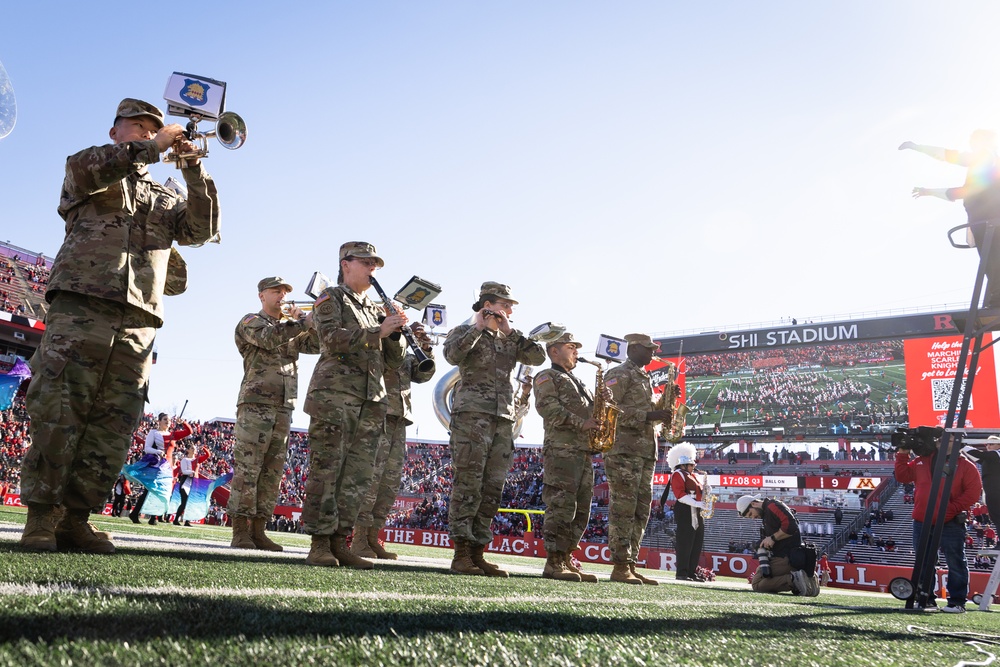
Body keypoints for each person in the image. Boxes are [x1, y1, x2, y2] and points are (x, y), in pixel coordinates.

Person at [17, 98, 220, 554]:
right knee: (58, 414)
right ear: (116, 133)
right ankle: (40, 518)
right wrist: (150, 148)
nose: (149, 133)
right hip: (81, 308)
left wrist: (193, 170)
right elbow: (93, 172)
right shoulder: (89, 166)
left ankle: (76, 519)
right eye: (138, 127)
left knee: (113, 426)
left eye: (154, 128)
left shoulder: (165, 194)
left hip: (138, 323)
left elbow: (201, 230)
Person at [301, 242, 407, 569]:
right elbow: (330, 338)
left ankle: (340, 541)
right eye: (366, 263)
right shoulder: (331, 297)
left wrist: (395, 333)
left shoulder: (376, 307)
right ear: (346, 264)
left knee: (358, 475)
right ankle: (319, 542)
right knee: (328, 469)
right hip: (335, 395)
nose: (372, 269)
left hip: (371, 400)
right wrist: (378, 330)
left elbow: (395, 360)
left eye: (375, 264)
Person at [443, 282, 545, 577]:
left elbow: (537, 357)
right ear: (488, 303)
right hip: (472, 415)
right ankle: (461, 553)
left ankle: (477, 553)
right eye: (506, 304)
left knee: (492, 488)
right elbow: (452, 355)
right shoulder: (464, 331)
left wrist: (509, 330)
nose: (510, 309)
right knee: (469, 485)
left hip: (503, 418)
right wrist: (479, 327)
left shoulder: (510, 338)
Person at [230, 276, 318, 551]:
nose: (281, 296)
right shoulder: (250, 322)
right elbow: (268, 340)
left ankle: (259, 529)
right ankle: (240, 530)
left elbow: (315, 346)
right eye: (275, 291)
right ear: (261, 296)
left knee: (272, 472)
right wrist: (300, 323)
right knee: (248, 468)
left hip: (284, 405)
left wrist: (311, 323)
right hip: (256, 403)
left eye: (284, 292)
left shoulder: (289, 327)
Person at [351, 324, 436, 560]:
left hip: (399, 421)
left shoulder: (408, 358)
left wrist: (425, 348)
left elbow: (424, 374)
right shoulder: (378, 348)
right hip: (377, 417)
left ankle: (373, 538)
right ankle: (358, 540)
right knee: (371, 482)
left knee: (388, 485)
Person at [532, 332, 604, 583]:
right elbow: (547, 408)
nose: (575, 351)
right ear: (554, 351)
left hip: (582, 451)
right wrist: (580, 422)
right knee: (561, 506)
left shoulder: (576, 380)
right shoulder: (546, 375)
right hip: (562, 450)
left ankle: (565, 557)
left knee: (581, 509)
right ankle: (553, 561)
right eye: (571, 347)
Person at [901, 131, 1000, 307]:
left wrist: (919, 148)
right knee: (991, 263)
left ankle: (997, 295)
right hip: (984, 220)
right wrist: (930, 192)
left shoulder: (986, 156)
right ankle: (996, 294)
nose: (971, 147)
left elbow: (953, 157)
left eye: (973, 143)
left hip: (989, 221)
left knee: (992, 260)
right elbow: (965, 190)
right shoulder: (985, 166)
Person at [603, 333, 672, 585]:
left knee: (641, 510)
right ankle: (620, 564)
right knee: (624, 508)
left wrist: (665, 400)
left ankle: (630, 563)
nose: (652, 353)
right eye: (648, 349)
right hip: (624, 451)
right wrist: (648, 415)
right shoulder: (618, 373)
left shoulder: (644, 377)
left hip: (644, 452)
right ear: (632, 349)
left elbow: (649, 411)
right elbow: (609, 410)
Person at [895, 436, 983, 613]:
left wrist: (950, 509)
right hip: (922, 519)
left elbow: (973, 493)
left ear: (957, 443)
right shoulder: (921, 460)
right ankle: (925, 598)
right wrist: (902, 454)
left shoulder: (965, 465)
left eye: (945, 439)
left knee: (955, 561)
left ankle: (957, 602)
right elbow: (903, 476)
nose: (938, 441)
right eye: (938, 438)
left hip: (950, 521)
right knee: (923, 561)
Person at [736, 495, 819, 597]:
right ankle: (804, 579)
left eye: (751, 514)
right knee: (757, 581)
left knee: (757, 584)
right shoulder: (768, 511)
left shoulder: (772, 505)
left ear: (753, 504)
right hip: (787, 555)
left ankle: (795, 579)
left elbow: (791, 526)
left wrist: (773, 538)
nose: (753, 518)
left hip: (788, 556)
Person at [129, 413, 193, 525]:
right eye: (164, 419)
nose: (167, 421)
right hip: (156, 466)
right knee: (149, 491)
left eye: (168, 420)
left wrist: (182, 422)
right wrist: (158, 452)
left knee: (163, 492)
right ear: (159, 421)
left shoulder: (173, 434)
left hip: (167, 468)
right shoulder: (154, 433)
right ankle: (135, 513)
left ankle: (153, 517)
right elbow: (147, 448)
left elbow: (189, 431)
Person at [667, 442, 707, 581]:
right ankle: (682, 572)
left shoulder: (692, 475)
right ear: (683, 465)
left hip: (696, 508)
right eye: (691, 465)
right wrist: (696, 503)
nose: (694, 467)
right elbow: (680, 494)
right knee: (685, 541)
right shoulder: (678, 474)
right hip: (685, 507)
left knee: (696, 541)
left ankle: (691, 572)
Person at [964, 435, 1000, 528]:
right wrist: (962, 448)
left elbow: (979, 455)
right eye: (987, 444)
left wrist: (962, 445)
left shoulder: (997, 454)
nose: (988, 446)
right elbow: (976, 457)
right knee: (996, 520)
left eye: (991, 444)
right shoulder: (990, 457)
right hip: (991, 492)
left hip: (996, 492)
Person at [173, 443, 209, 526]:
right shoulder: (184, 460)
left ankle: (187, 521)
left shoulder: (197, 460)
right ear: (188, 450)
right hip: (185, 482)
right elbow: (184, 471)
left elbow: (207, 455)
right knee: (184, 502)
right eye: (192, 448)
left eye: (195, 448)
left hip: (194, 483)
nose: (194, 449)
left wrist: (204, 448)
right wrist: (191, 472)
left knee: (191, 503)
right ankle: (176, 519)